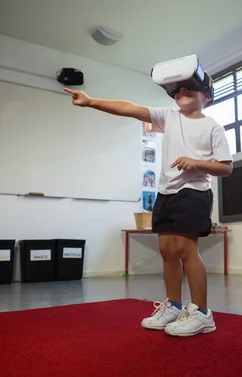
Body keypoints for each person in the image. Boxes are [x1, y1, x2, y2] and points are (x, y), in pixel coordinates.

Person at [64, 71, 233, 337]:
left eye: (189, 89)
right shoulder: (169, 117)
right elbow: (130, 108)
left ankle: (201, 313)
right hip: (166, 193)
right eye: (177, 91)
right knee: (166, 249)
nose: (181, 93)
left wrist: (197, 162)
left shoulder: (213, 127)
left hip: (194, 192)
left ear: (208, 97)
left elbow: (226, 168)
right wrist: (91, 101)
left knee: (185, 249)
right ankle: (174, 307)